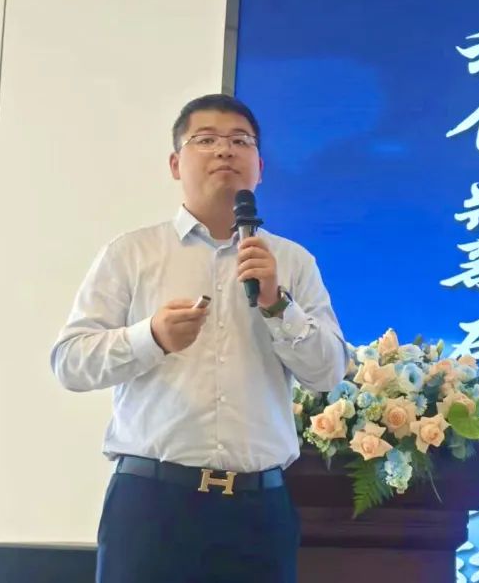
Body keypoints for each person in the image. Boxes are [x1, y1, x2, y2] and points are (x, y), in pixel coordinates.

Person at [50, 94, 347, 583]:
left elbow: (329, 372)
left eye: (240, 141)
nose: (224, 150)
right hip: (153, 506)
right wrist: (151, 337)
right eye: (205, 140)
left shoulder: (292, 262)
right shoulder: (132, 254)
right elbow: (69, 362)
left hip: (258, 510)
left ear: (259, 167)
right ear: (175, 163)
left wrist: (278, 304)